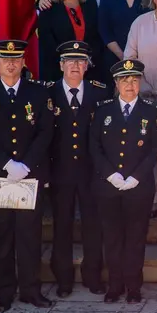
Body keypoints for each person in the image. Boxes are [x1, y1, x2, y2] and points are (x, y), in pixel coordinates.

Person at [0, 39, 54, 312]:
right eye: (5, 59)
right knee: (1, 237)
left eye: (16, 59)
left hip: (29, 176)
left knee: (30, 237)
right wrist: (8, 164)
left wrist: (25, 165)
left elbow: (45, 133)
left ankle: (31, 290)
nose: (10, 64)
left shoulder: (38, 94)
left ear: (22, 62)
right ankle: (4, 292)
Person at [91, 58, 157, 303]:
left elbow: (154, 148)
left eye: (134, 80)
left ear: (140, 82)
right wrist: (111, 175)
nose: (130, 85)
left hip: (138, 187)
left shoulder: (150, 111)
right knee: (112, 237)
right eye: (124, 80)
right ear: (116, 83)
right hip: (108, 187)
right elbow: (94, 146)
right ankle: (115, 285)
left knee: (135, 238)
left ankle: (133, 286)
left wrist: (135, 177)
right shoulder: (103, 110)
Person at [48, 41, 111, 297]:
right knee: (61, 226)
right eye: (70, 61)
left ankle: (92, 276)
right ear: (61, 65)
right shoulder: (48, 93)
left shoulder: (100, 92)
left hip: (90, 171)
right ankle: (63, 279)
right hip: (59, 172)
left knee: (93, 226)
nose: (75, 66)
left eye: (80, 61)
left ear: (87, 66)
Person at [39, 0, 104, 83]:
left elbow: (96, 39)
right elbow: (47, 45)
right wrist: (70, 65)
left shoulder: (91, 4)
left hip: (89, 72)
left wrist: (86, 62)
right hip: (58, 74)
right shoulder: (48, 7)